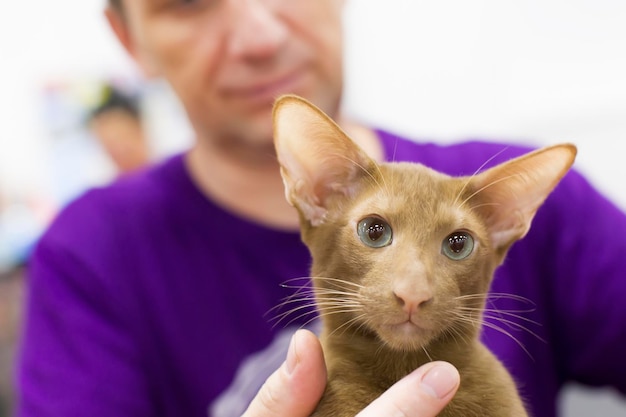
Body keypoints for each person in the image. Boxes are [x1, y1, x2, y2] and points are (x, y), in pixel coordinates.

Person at [14, 0, 626, 416]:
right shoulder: (87, 253)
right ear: (129, 40)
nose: (261, 35)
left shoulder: (529, 203)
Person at [87, 85, 150, 175]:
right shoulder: (112, 187)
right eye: (110, 145)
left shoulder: (171, 173)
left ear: (140, 128)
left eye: (123, 138)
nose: (119, 150)